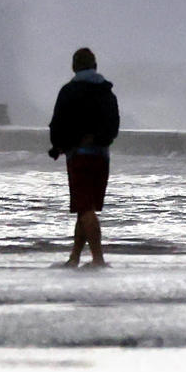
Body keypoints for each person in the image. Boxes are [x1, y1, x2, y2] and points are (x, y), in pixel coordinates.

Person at [47, 46, 120, 267]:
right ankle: (74, 258)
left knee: (85, 208)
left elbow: (58, 124)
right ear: (95, 66)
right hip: (102, 157)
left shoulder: (69, 91)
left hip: (79, 157)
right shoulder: (107, 92)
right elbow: (114, 126)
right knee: (85, 207)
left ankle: (98, 259)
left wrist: (58, 146)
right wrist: (99, 140)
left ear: (74, 67)